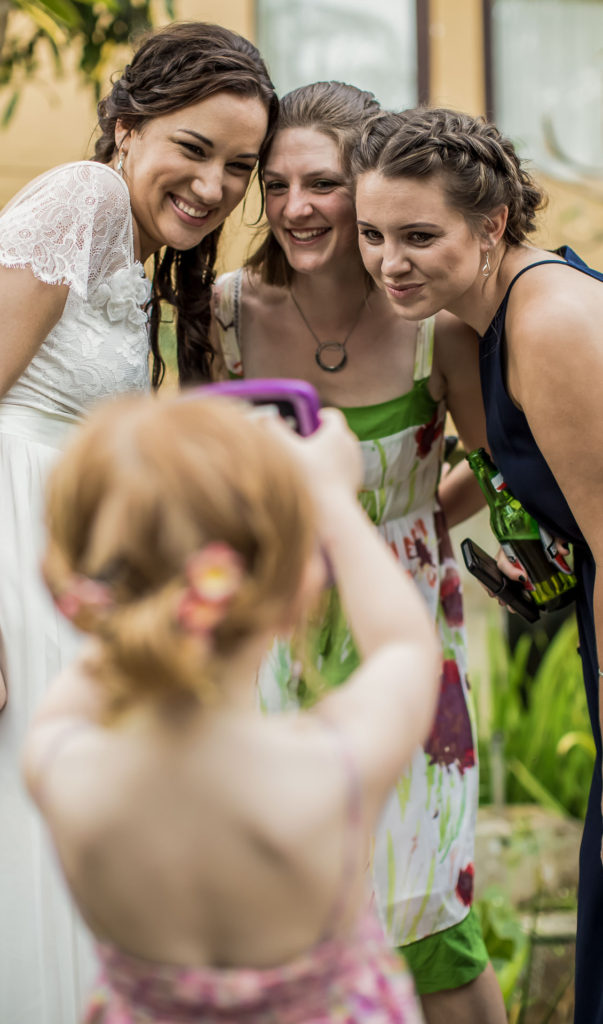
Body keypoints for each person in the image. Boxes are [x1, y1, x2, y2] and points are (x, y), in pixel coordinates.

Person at [0, 21, 276, 1024]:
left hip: (44, 570)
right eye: (193, 150)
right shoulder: (79, 197)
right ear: (124, 127)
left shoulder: (126, 237)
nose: (214, 186)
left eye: (238, 167)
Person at [209, 83, 506, 1024]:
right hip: (265, 645)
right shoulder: (222, 314)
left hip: (403, 637)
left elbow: (495, 472)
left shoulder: (436, 329)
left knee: (428, 914)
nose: (295, 207)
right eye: (277, 183)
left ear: (368, 186)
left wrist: (411, 521)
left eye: (324, 184)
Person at [23, 391, 439, 1023]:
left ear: (89, 592)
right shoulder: (334, 771)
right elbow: (406, 646)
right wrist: (328, 498)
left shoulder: (59, 765)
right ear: (301, 585)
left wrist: (138, 588)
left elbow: (110, 647)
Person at [350, 105, 603, 1024]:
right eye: (371, 235)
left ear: (491, 224)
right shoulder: (469, 326)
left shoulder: (551, 321)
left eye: (418, 235)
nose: (387, 261)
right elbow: (496, 470)